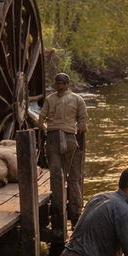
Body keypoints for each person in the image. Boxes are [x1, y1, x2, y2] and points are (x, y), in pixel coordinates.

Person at [39, 72, 88, 233]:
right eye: (57, 83)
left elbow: (41, 120)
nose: (59, 86)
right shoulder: (73, 99)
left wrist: (47, 129)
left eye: (61, 83)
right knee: (67, 177)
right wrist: (79, 128)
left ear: (67, 84)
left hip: (58, 138)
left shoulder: (56, 99)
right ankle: (71, 213)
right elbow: (83, 120)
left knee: (62, 177)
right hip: (67, 139)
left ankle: (65, 212)